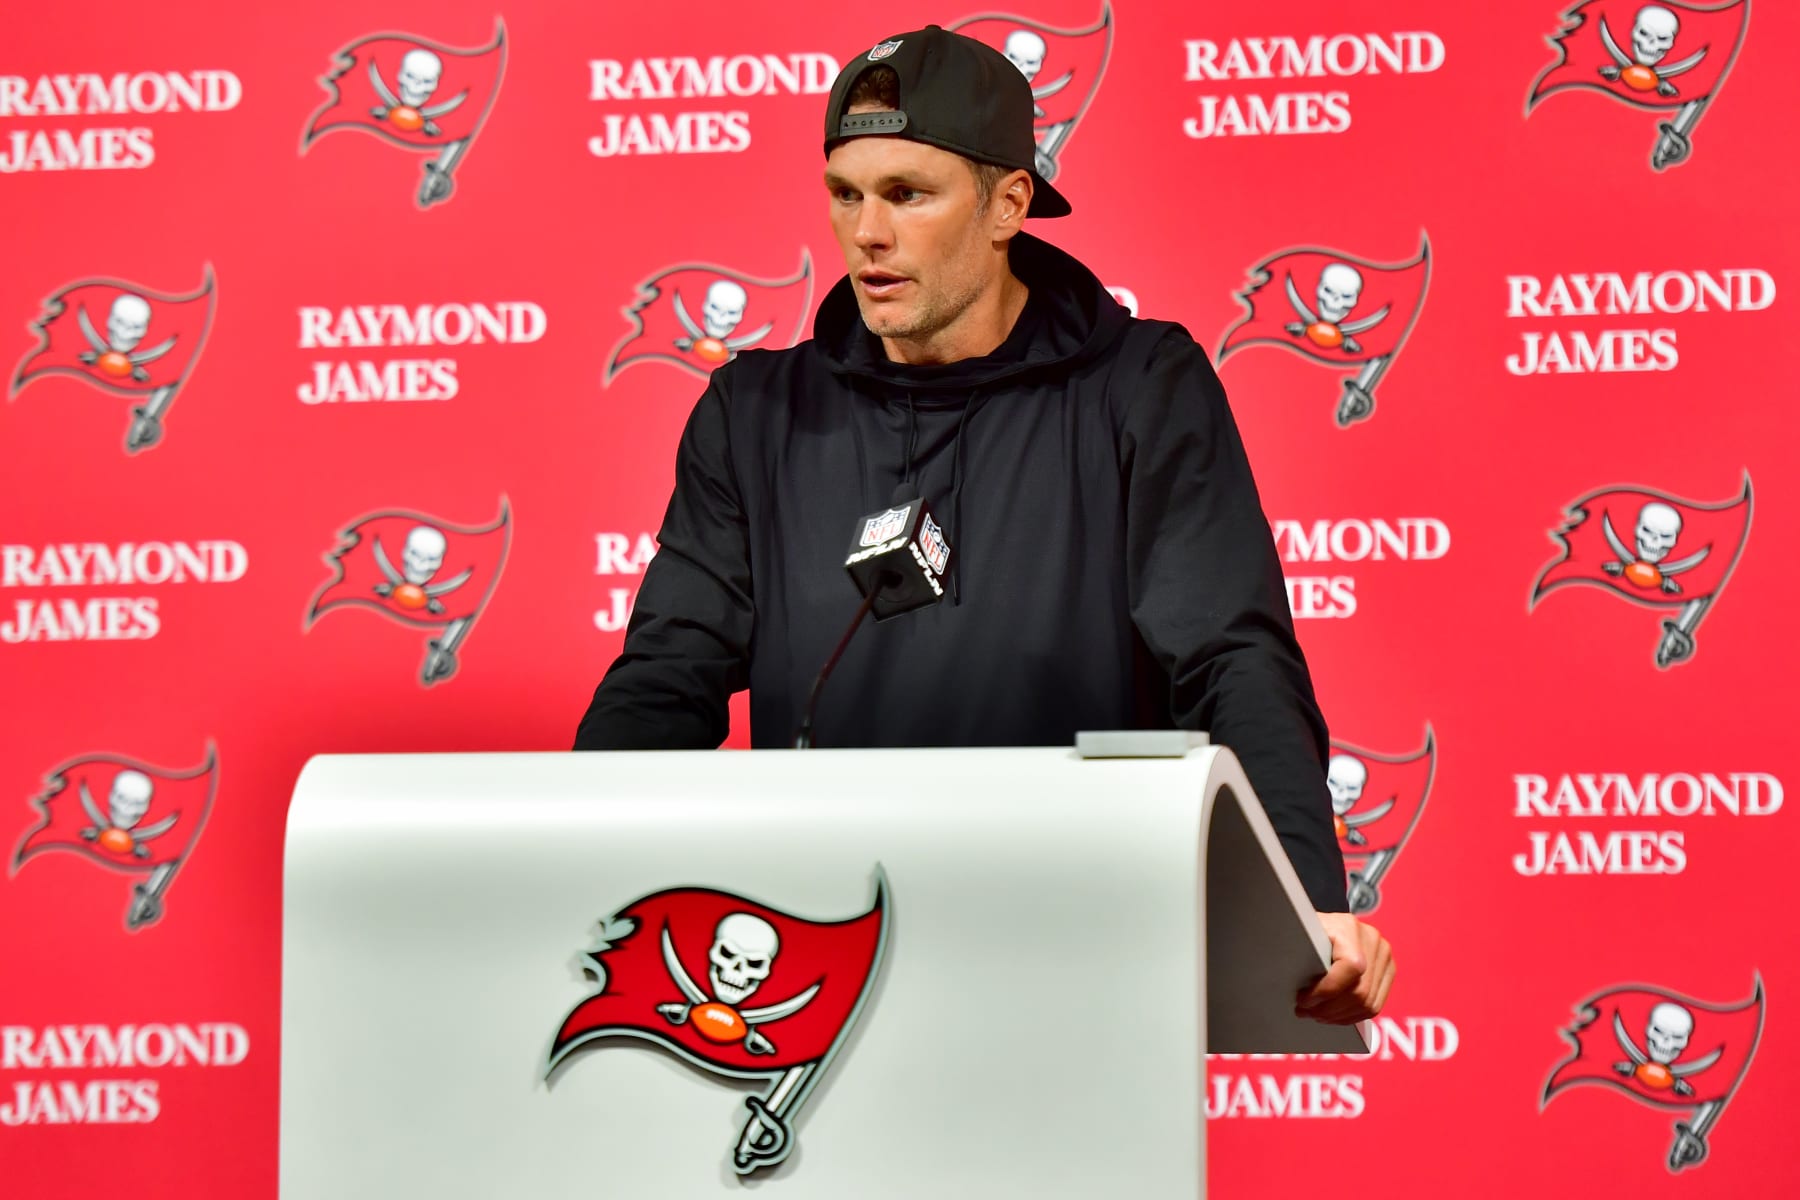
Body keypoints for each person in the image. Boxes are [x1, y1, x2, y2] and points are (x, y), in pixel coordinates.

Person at [575, 25, 1394, 1025]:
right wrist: (573, 879)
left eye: (908, 193)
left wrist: (1302, 897)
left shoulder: (1140, 389)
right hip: (821, 969)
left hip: (1081, 968)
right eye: (845, 192)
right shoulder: (757, 413)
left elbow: (1233, 658)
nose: (866, 231)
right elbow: (668, 677)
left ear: (1009, 202)